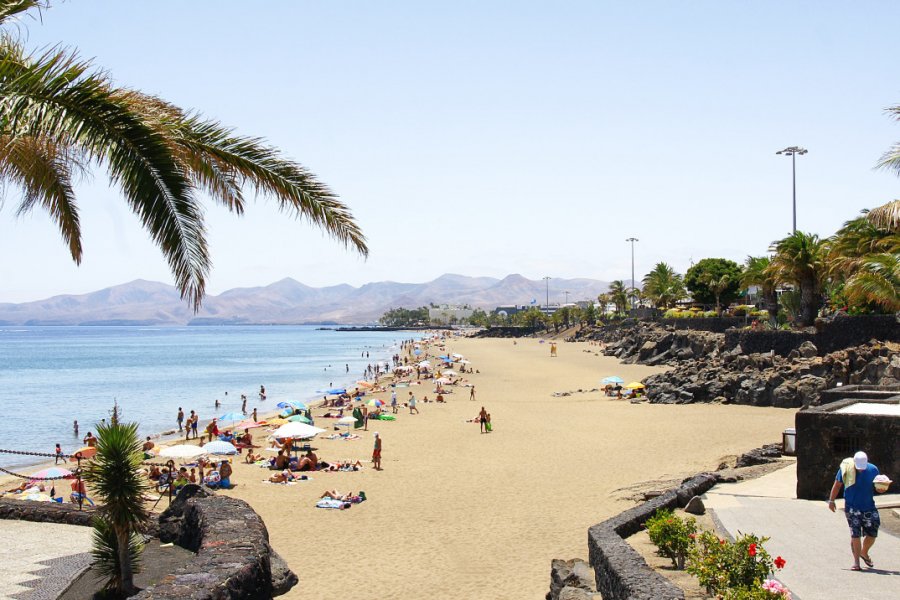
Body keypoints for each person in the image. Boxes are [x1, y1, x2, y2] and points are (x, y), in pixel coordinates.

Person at [828, 450, 885, 570]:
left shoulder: (873, 469)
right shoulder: (846, 469)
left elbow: (878, 486)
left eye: (862, 468)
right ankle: (856, 562)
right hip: (852, 507)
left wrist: (881, 489)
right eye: (858, 468)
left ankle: (864, 552)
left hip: (869, 506)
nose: (861, 470)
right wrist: (831, 500)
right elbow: (837, 484)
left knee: (873, 532)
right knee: (855, 534)